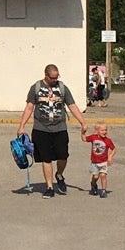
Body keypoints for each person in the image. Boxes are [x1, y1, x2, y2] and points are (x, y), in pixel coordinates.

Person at [18, 63, 86, 196]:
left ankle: (59, 175)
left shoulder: (62, 88)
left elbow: (72, 105)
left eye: (57, 77)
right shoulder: (36, 88)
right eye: (52, 78)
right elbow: (29, 107)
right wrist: (21, 126)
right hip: (41, 129)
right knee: (46, 158)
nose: (55, 80)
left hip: (60, 128)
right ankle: (49, 187)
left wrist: (83, 122)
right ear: (46, 75)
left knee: (63, 156)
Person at [84, 123, 117, 196]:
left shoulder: (108, 140)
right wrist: (82, 132)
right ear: (97, 131)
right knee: (95, 176)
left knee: (103, 175)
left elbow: (114, 149)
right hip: (94, 162)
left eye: (105, 130)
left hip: (103, 162)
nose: (104, 132)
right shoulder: (93, 137)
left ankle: (103, 190)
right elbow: (84, 139)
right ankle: (93, 184)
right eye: (102, 130)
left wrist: (110, 156)